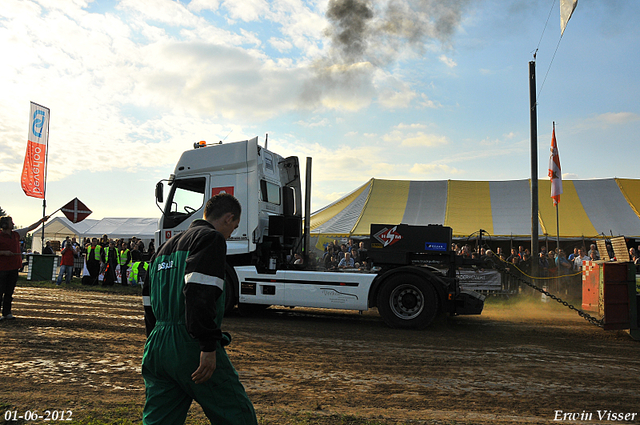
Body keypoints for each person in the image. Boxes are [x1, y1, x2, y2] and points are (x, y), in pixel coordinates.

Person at [141, 193, 257, 425]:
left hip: (157, 346)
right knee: (236, 414)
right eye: (233, 227)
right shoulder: (211, 239)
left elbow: (148, 299)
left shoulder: (164, 247)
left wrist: (154, 341)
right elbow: (199, 292)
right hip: (190, 344)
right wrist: (206, 345)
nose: (231, 233)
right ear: (228, 218)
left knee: (160, 419)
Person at [0, 215, 49, 320]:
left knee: (9, 291)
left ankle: (6, 312)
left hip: (13, 267)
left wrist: (41, 221)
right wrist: (3, 252)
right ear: (5, 225)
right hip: (2, 268)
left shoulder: (16, 234)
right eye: (11, 222)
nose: (13, 224)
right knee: (0, 291)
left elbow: (30, 228)